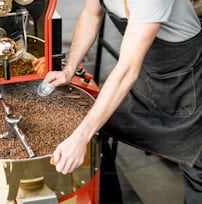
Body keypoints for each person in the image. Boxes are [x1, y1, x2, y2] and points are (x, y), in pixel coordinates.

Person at [41, 0, 202, 203]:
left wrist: (80, 138)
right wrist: (68, 70)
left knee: (197, 169)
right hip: (147, 72)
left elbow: (126, 71)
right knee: (100, 127)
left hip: (188, 83)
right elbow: (91, 14)